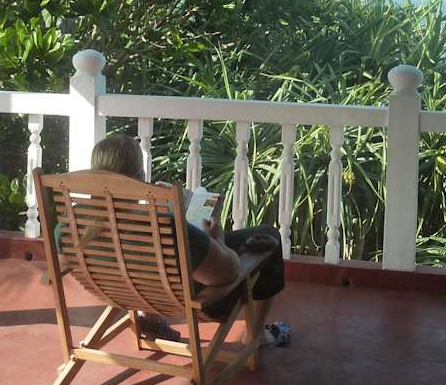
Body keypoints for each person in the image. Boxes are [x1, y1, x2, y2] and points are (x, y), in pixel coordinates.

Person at [63, 133, 291, 346]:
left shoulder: (68, 227)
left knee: (146, 259)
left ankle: (148, 316)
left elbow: (67, 264)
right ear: (140, 179)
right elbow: (229, 272)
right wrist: (216, 238)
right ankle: (257, 335)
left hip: (125, 292)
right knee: (269, 237)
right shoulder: (167, 228)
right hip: (192, 298)